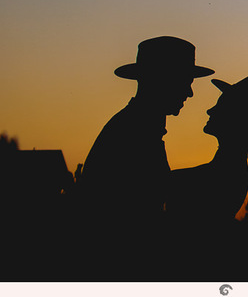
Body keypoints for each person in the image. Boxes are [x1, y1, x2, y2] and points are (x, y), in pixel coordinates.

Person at [77, 36, 213, 228]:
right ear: (163, 80)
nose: (190, 93)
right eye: (184, 81)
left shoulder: (134, 127)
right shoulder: (134, 134)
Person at [168, 74, 248, 225]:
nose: (210, 111)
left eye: (221, 106)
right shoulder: (232, 174)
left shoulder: (225, 177)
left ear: (236, 117)